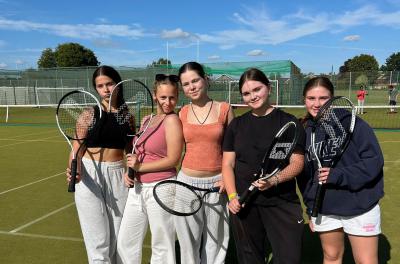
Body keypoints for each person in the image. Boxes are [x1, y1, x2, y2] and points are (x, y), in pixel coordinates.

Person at [222, 68, 305, 264]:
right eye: (246, 93)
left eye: (257, 89)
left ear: (268, 88)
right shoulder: (236, 125)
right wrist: (233, 196)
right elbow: (227, 164)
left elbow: (297, 163)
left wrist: (274, 180)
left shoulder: (289, 123)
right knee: (250, 259)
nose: (252, 96)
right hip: (245, 203)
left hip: (281, 202)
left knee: (289, 258)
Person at [301, 76, 384, 264]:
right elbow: (305, 178)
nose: (317, 104)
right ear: (304, 100)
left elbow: (373, 162)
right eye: (311, 98)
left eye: (323, 98)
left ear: (332, 98)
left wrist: (339, 175)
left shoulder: (353, 123)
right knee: (331, 257)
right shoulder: (305, 131)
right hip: (325, 207)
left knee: (366, 261)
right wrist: (311, 208)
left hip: (360, 205)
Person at [66, 65, 132, 263]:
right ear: (96, 89)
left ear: (118, 84)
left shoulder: (126, 116)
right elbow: (76, 149)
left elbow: (130, 149)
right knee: (97, 241)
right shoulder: (89, 114)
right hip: (89, 176)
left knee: (120, 238)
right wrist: (73, 169)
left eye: (110, 83)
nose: (106, 89)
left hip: (118, 175)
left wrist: (131, 171)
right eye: (100, 85)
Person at [117, 74, 184, 264]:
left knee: (162, 246)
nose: (168, 102)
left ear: (177, 97)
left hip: (162, 187)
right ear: (155, 96)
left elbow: (173, 159)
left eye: (172, 97)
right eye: (163, 97)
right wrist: (129, 170)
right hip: (137, 189)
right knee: (125, 242)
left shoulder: (172, 121)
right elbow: (138, 150)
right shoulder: (148, 119)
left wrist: (141, 167)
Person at [175, 61, 234, 264]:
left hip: (217, 184)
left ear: (205, 80)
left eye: (195, 81)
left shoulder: (224, 109)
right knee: (188, 240)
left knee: (216, 240)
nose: (191, 87)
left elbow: (234, 149)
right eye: (185, 84)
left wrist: (228, 180)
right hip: (186, 184)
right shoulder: (181, 113)